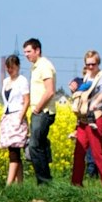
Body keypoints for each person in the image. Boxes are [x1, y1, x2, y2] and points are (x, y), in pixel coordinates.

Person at [69, 52, 102, 189]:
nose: (90, 67)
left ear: (98, 63)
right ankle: (76, 184)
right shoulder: (86, 77)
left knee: (97, 153)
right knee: (79, 152)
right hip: (83, 120)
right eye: (88, 64)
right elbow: (81, 95)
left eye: (93, 64)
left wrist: (96, 105)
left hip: (95, 118)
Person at [22, 38, 56, 185]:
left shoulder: (44, 66)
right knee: (39, 145)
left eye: (29, 51)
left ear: (37, 50)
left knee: (34, 146)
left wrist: (37, 109)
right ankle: (46, 182)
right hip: (39, 111)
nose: (26, 55)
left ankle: (44, 181)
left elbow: (50, 91)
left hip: (43, 111)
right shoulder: (36, 66)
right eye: (25, 52)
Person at [0, 53, 28, 185]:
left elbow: (26, 100)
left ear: (18, 66)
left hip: (17, 116)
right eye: (8, 68)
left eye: (13, 67)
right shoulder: (5, 81)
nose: (10, 70)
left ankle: (9, 185)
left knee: (14, 151)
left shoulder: (22, 80)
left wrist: (20, 117)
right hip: (7, 117)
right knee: (13, 150)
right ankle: (19, 184)